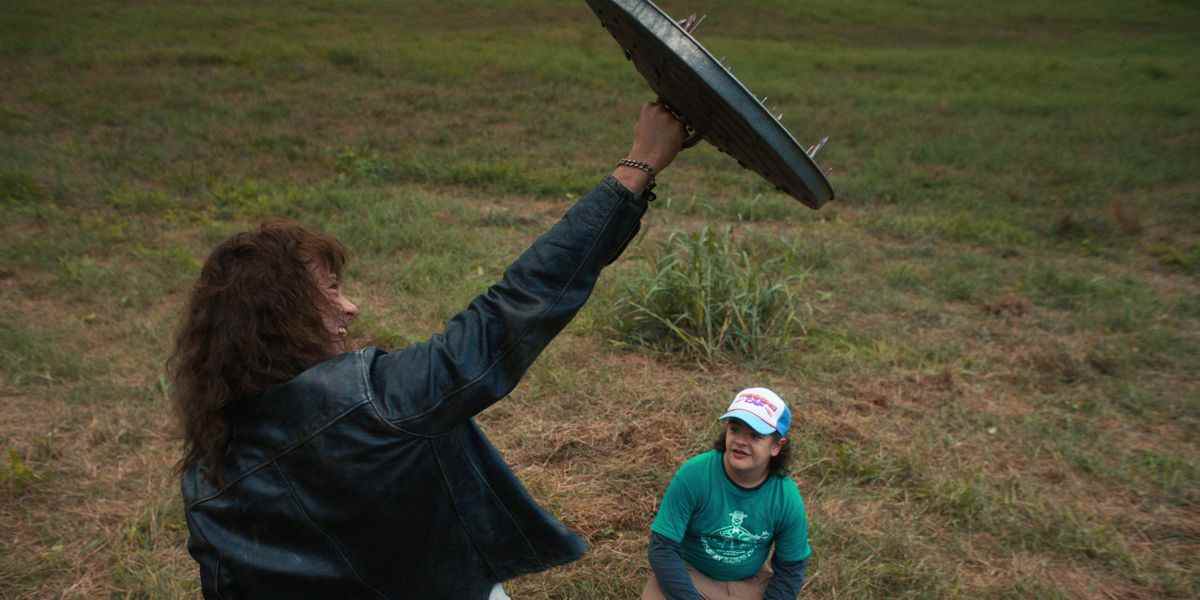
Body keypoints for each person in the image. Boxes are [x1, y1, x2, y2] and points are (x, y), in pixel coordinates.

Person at [169, 102, 686, 599]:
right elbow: (518, 304)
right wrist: (636, 168)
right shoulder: (376, 402)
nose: (350, 308)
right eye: (329, 291)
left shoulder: (206, 479)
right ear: (281, 320)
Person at [643, 387, 812, 600]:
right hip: (690, 575)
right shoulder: (694, 474)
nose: (740, 441)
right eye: (734, 429)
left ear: (777, 446)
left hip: (749, 583)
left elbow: (791, 569)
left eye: (755, 435)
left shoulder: (786, 497)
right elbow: (662, 549)